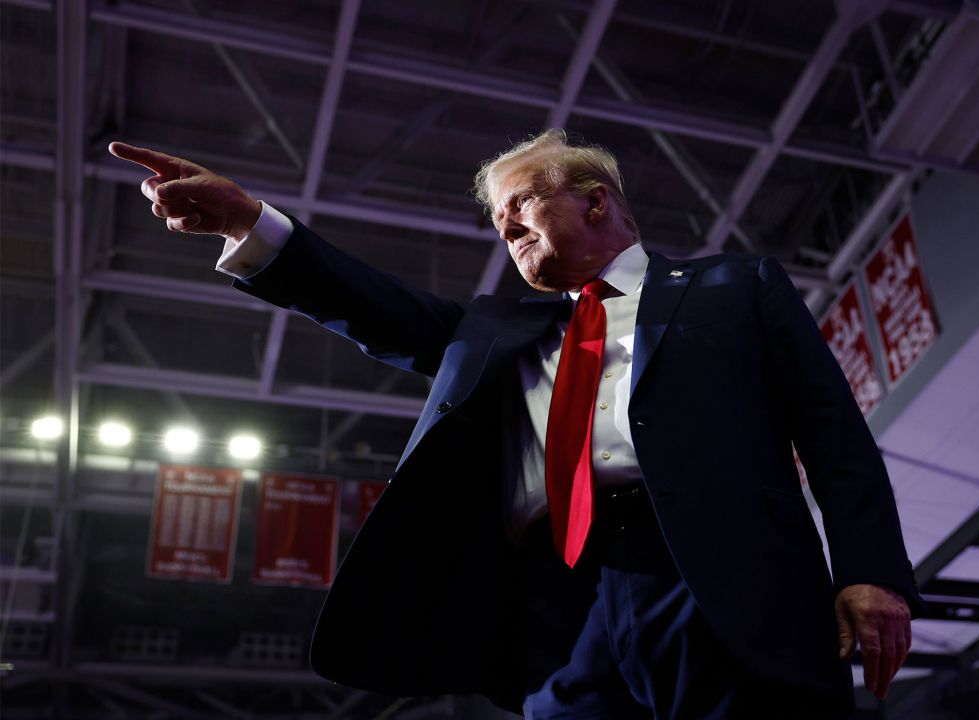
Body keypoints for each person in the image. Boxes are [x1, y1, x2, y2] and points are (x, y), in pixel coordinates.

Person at [109, 130, 924, 719]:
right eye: (498, 225)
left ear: (596, 200)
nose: (505, 231)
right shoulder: (498, 331)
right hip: (556, 606)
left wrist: (872, 571)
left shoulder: (734, 288)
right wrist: (249, 222)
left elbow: (831, 428)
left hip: (717, 582)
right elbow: (369, 304)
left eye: (519, 206)